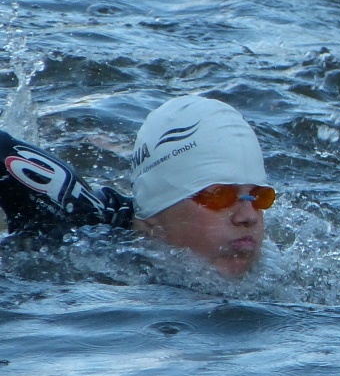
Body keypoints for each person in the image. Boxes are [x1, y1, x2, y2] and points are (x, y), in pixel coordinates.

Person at [0, 95, 275, 278]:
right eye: (220, 195)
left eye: (259, 197)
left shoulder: (286, 276)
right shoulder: (71, 228)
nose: (248, 216)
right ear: (154, 219)